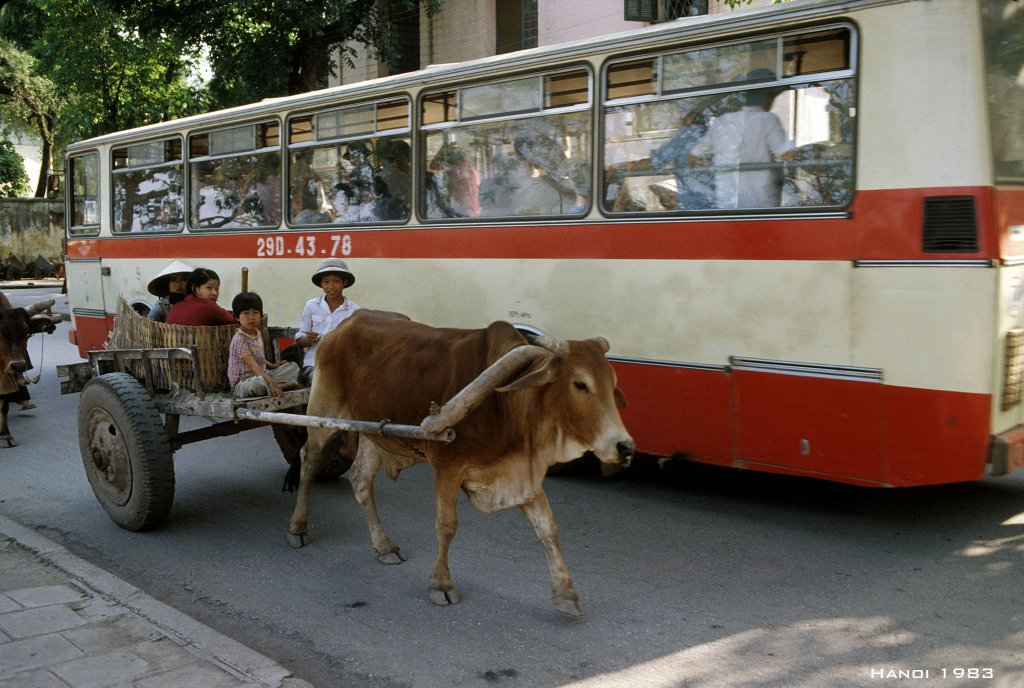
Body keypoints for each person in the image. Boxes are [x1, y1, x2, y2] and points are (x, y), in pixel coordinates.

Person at [688, 68, 796, 209]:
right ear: (768, 98)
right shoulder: (767, 119)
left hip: (726, 198)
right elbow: (786, 153)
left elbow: (692, 157)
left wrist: (713, 164)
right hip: (760, 198)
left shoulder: (722, 121)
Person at [296, 258, 359, 384]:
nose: (331, 286)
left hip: (342, 364)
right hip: (313, 364)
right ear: (321, 284)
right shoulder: (311, 305)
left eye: (336, 281)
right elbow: (300, 337)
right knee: (321, 381)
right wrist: (306, 340)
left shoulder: (354, 310)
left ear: (344, 282)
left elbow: (355, 343)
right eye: (326, 282)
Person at [228, 292, 301, 398]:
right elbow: (253, 365)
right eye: (246, 313)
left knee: (293, 367)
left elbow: (258, 358)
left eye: (255, 312)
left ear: (261, 315)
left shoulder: (257, 333)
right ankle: (281, 386)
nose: (251, 317)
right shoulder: (240, 339)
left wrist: (272, 365)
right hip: (243, 384)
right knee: (257, 384)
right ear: (237, 317)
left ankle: (275, 386)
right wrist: (272, 382)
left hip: (263, 374)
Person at [167, 267, 236, 326]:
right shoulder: (208, 306)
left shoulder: (176, 304)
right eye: (209, 287)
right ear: (195, 288)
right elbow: (236, 320)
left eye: (217, 289)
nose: (214, 293)